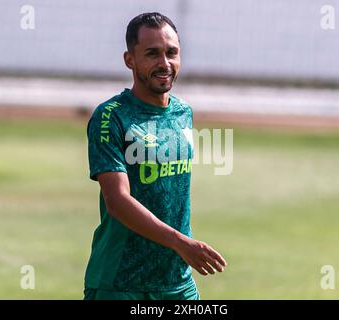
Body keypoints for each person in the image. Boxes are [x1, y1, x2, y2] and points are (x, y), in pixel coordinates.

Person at [84, 12, 226, 300]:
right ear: (130, 60)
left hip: (177, 281)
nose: (165, 64)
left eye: (171, 53)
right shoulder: (110, 117)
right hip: (120, 283)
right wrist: (180, 242)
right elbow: (118, 201)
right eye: (152, 54)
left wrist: (180, 249)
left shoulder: (183, 112)